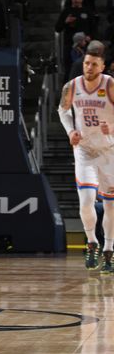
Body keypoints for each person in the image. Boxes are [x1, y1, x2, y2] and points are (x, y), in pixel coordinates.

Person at [57, 44, 114, 272]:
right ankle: (92, 242)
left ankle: (109, 249)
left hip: (109, 152)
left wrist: (111, 126)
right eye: (86, 63)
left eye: (93, 64)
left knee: (110, 207)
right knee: (86, 201)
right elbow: (62, 111)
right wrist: (71, 130)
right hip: (84, 151)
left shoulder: (110, 85)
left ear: (103, 66)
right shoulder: (72, 86)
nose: (88, 67)